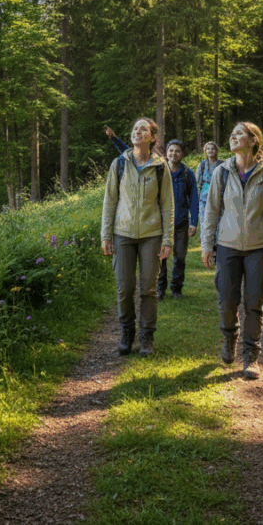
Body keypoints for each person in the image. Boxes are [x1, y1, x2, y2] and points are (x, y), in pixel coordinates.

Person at [200, 121, 263, 380]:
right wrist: (207, 245)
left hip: (259, 248)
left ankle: (251, 356)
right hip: (227, 246)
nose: (233, 137)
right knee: (227, 300)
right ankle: (230, 338)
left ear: (252, 140)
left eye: (240, 133)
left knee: (254, 302)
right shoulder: (222, 173)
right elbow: (212, 211)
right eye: (232, 133)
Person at [101, 117, 174, 357]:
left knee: (148, 289)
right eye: (134, 128)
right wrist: (106, 235)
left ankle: (146, 336)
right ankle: (127, 332)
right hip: (122, 235)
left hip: (152, 235)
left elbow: (167, 206)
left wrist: (167, 239)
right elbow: (110, 201)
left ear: (152, 137)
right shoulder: (119, 164)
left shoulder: (161, 167)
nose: (137, 132)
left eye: (143, 129)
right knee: (124, 288)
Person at [158, 139, 198, 301]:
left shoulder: (188, 174)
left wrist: (194, 222)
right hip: (161, 223)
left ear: (182, 154)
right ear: (166, 153)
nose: (173, 153)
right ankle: (160, 289)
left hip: (181, 223)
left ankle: (176, 288)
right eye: (171, 150)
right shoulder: (158, 171)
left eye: (177, 151)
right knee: (161, 258)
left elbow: (194, 199)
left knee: (180, 257)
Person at [195, 141, 223, 227]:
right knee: (204, 223)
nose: (210, 150)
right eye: (208, 149)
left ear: (216, 151)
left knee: (218, 224)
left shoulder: (222, 164)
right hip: (204, 198)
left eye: (213, 149)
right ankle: (204, 240)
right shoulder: (202, 165)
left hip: (218, 197)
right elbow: (198, 181)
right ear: (205, 151)